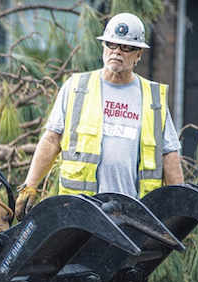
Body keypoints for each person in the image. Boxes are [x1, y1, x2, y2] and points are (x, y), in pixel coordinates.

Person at [14, 13, 184, 221]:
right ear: (103, 47)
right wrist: (30, 185)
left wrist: (180, 205)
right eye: (111, 45)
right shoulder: (77, 88)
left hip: (134, 216)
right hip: (79, 212)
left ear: (138, 54)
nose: (116, 52)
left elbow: (169, 154)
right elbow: (51, 140)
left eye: (125, 47)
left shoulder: (153, 98)